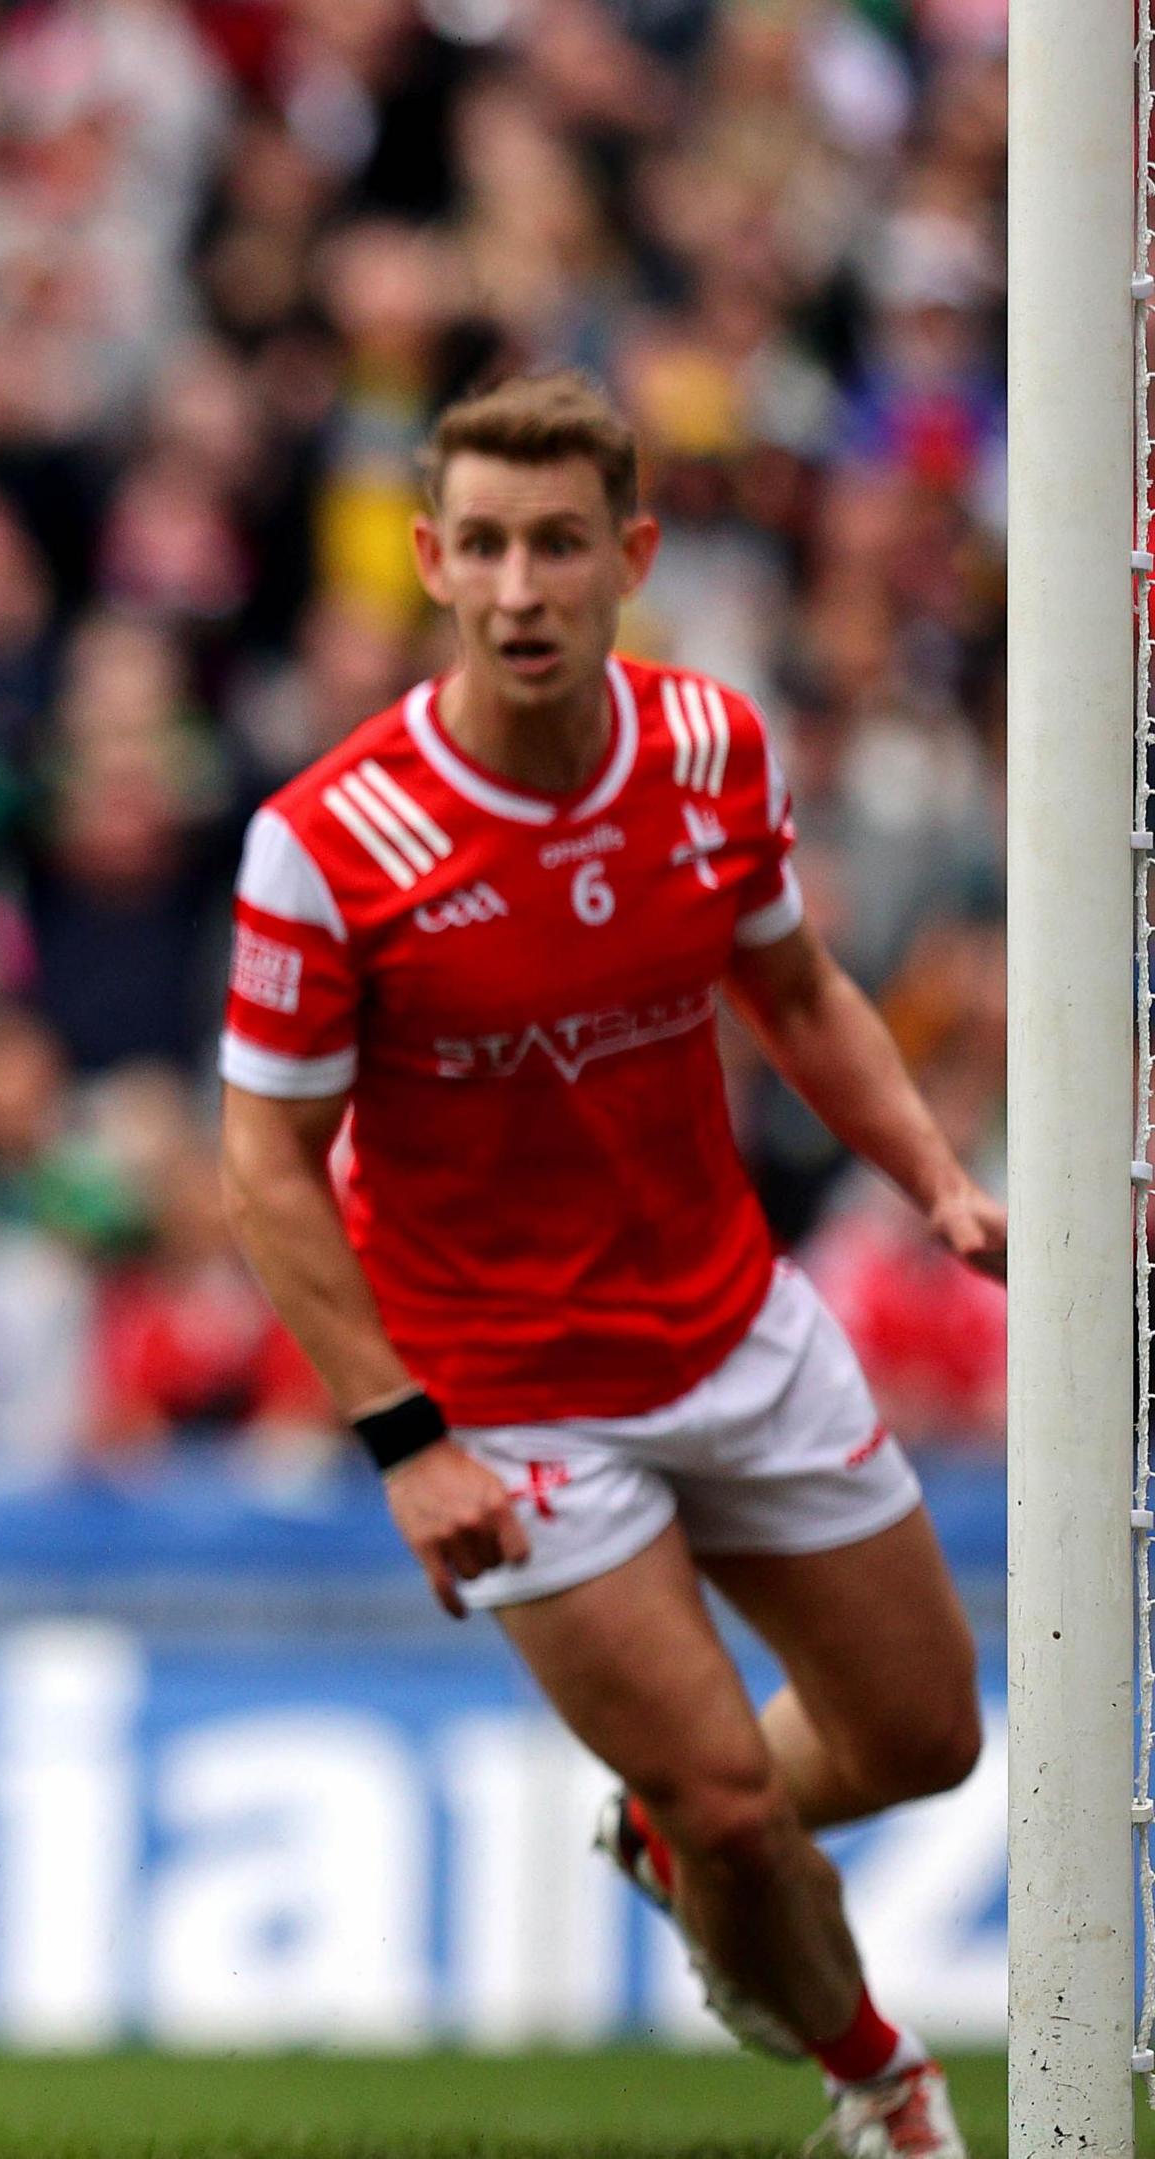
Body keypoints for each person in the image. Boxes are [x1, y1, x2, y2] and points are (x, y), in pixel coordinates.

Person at [219, 373, 994, 2159]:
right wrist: (407, 1443)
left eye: (557, 544)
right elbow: (263, 1169)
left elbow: (797, 994)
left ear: (629, 556)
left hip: (738, 1328)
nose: (518, 588)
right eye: (481, 546)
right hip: (514, 1403)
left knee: (927, 1737)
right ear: (426, 560)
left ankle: (668, 1843)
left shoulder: (715, 751)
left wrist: (936, 1183)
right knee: (732, 1799)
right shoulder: (332, 844)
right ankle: (880, 2086)